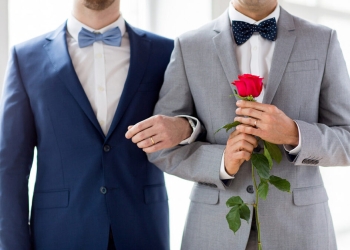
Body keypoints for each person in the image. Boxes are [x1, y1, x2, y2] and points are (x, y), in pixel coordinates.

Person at [129, 0, 350, 249]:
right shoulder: (189, 45)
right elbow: (162, 148)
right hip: (212, 232)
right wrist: (220, 162)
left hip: (301, 231)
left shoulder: (323, 39)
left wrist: (293, 134)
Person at [0, 0, 193, 249]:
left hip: (142, 231)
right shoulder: (25, 58)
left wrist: (185, 129)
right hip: (60, 234)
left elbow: (197, 123)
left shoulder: (165, 52)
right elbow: (9, 170)